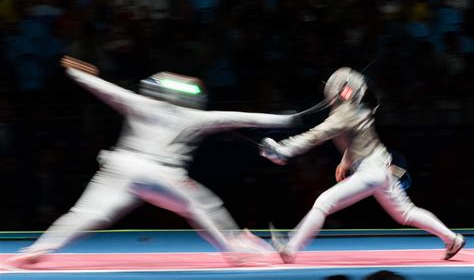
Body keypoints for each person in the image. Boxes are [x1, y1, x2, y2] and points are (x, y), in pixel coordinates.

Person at [7, 56, 296, 268]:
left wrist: (72, 69)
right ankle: (233, 251)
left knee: (85, 214)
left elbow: (101, 86)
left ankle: (37, 249)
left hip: (119, 168)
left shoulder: (139, 102)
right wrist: (293, 119)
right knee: (202, 205)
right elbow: (248, 118)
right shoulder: (198, 117)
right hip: (161, 174)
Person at [260, 67, 465, 263]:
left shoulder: (343, 115)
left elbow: (315, 136)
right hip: (382, 168)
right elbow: (355, 140)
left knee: (323, 203)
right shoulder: (358, 110)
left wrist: (283, 150)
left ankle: (291, 249)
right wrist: (345, 162)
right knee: (406, 213)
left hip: (371, 171)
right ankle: (452, 239)